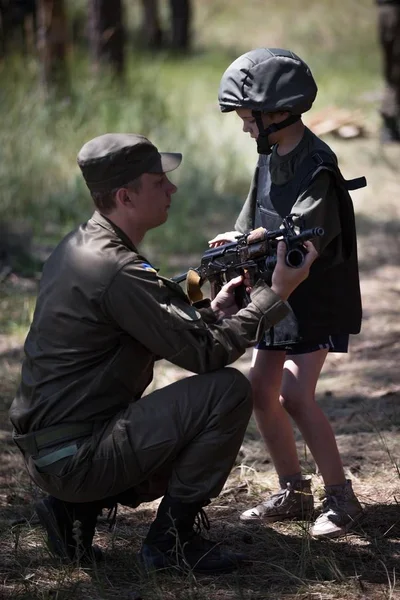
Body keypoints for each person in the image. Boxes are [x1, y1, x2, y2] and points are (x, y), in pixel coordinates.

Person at [9, 133, 317, 574]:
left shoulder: (82, 245)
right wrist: (275, 295)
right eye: (159, 182)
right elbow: (206, 355)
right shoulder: (117, 268)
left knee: (197, 403)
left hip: (53, 448)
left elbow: (155, 311)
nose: (172, 189)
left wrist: (211, 306)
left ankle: (71, 512)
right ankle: (170, 542)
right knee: (227, 391)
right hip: (75, 456)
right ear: (125, 195)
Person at [211, 48, 365, 539]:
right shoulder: (270, 157)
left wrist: (259, 244)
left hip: (310, 298)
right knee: (260, 392)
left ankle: (342, 499)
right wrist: (236, 244)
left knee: (296, 395)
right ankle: (293, 491)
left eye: (246, 118)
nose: (244, 128)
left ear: (276, 112)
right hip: (275, 293)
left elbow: (306, 238)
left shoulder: (317, 165)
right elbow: (252, 217)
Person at [376, 0, 400, 142]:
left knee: (393, 71)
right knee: (394, 71)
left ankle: (390, 122)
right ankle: (390, 122)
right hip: (393, 10)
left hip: (387, 10)